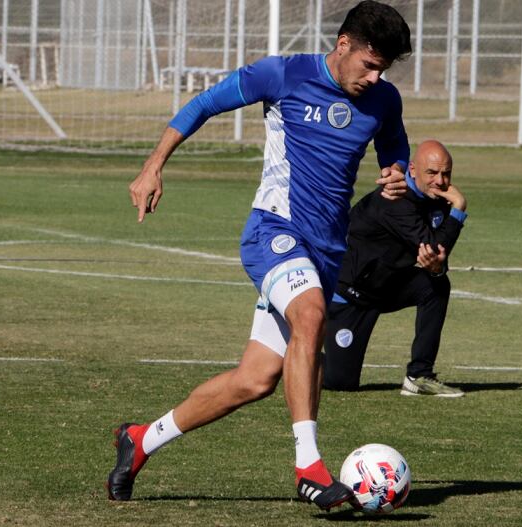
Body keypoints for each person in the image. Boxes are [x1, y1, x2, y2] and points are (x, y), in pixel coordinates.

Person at [108, 1, 412, 511]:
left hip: (325, 251)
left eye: (384, 68)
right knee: (311, 312)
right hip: (274, 231)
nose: (376, 76)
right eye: (370, 64)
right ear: (343, 45)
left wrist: (397, 173)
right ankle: (309, 468)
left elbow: (394, 150)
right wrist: (153, 165)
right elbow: (202, 104)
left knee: (255, 380)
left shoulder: (384, 101)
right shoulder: (283, 74)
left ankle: (141, 439)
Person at [322, 140, 467, 397]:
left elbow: (436, 258)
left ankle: (419, 375)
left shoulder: (438, 201)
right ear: (412, 169)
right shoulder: (394, 199)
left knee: (436, 284)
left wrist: (436, 268)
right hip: (351, 294)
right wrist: (459, 210)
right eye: (432, 173)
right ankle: (292, 356)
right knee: (340, 381)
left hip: (387, 286)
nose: (441, 181)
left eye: (446, 173)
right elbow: (435, 248)